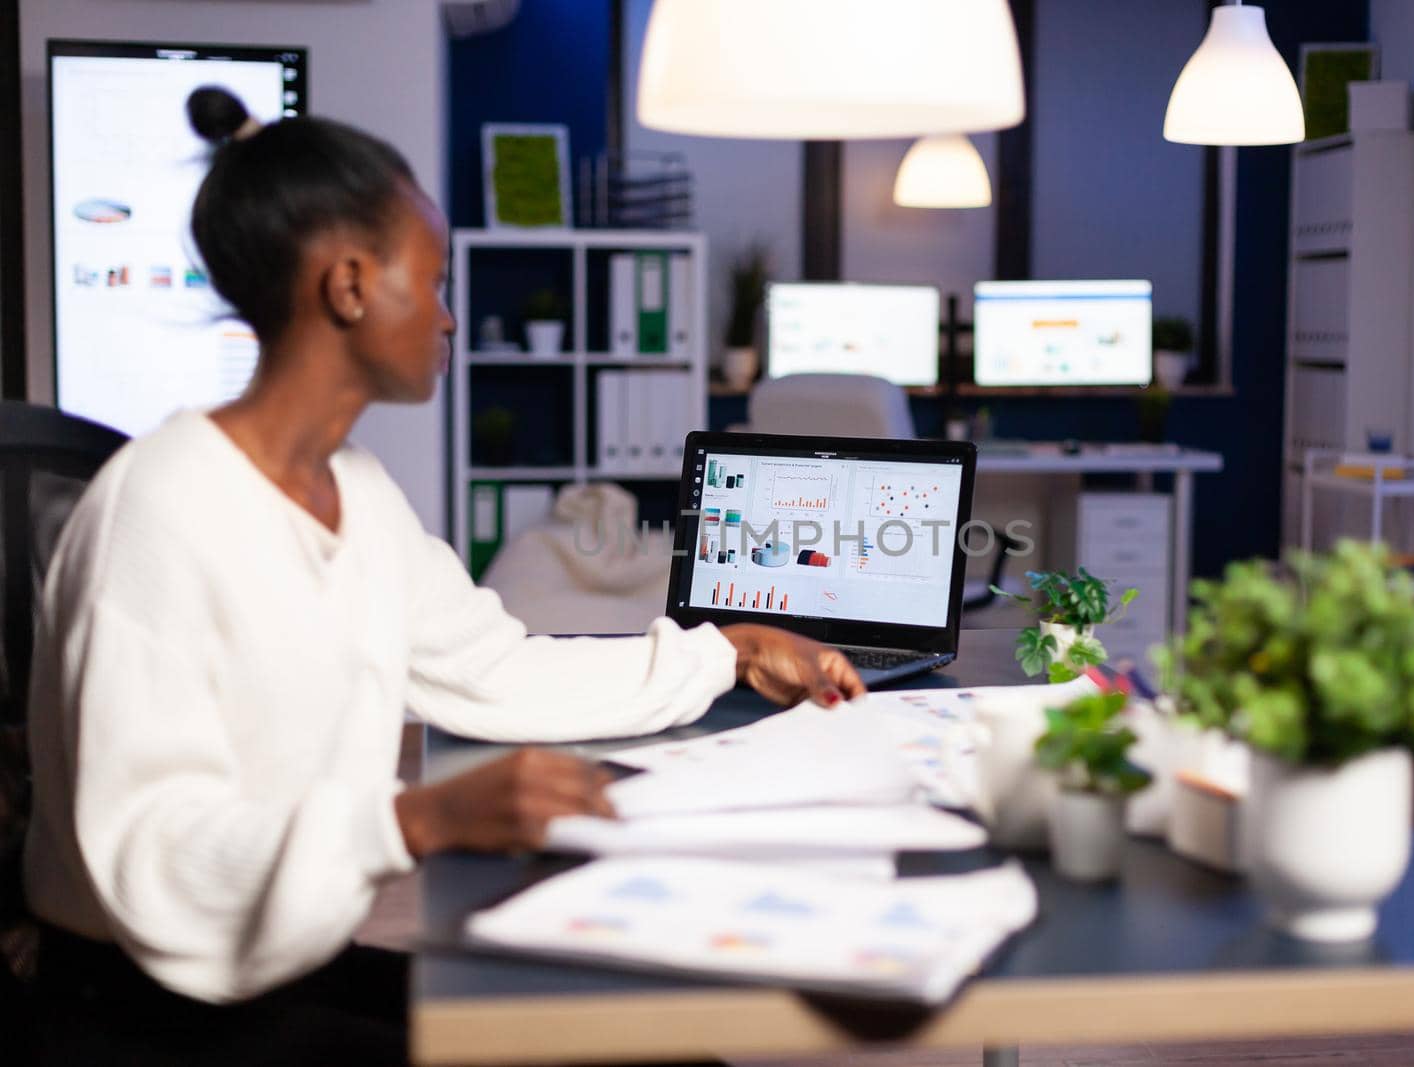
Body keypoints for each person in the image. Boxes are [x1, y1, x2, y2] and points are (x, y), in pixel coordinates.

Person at [22, 87, 864, 1065]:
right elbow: (153, 854)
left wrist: (724, 648)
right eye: (432, 281)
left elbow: (494, 668)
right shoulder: (157, 509)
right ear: (347, 285)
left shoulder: (358, 492)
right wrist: (419, 816)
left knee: (657, 1038)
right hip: (146, 1015)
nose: (450, 317)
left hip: (280, 966)